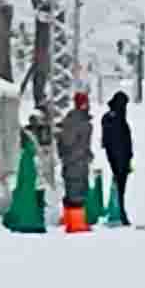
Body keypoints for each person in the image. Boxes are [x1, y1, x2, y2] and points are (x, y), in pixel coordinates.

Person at [57, 88, 98, 219]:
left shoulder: (81, 120)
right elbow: (69, 142)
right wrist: (81, 154)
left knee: (78, 190)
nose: (88, 105)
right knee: (75, 191)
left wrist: (87, 153)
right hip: (74, 163)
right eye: (86, 103)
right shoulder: (75, 121)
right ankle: (75, 221)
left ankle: (75, 219)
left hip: (79, 162)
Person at [100, 90, 136, 221]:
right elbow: (122, 140)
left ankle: (119, 210)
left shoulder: (108, 117)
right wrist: (126, 158)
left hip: (116, 155)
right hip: (120, 156)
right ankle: (119, 211)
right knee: (120, 186)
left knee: (119, 185)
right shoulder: (117, 118)